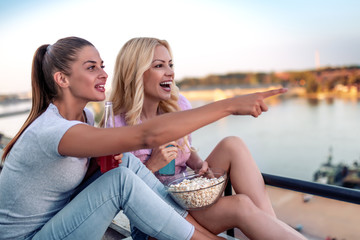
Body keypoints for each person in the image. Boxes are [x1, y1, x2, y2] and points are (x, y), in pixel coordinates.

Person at [0, 36, 287, 240]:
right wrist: (229, 104)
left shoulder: (85, 119)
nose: (103, 74)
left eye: (102, 65)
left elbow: (104, 172)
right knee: (120, 180)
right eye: (91, 68)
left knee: (123, 165)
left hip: (64, 220)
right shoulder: (56, 130)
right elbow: (146, 136)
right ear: (62, 79)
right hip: (31, 236)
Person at [109, 37, 307, 240]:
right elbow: (120, 188)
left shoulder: (179, 105)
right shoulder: (115, 124)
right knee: (240, 204)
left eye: (170, 64)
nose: (170, 72)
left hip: (186, 199)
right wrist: (151, 166)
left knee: (232, 145)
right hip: (155, 220)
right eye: (159, 66)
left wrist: (195, 161)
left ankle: (269, 224)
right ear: (135, 73)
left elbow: (187, 149)